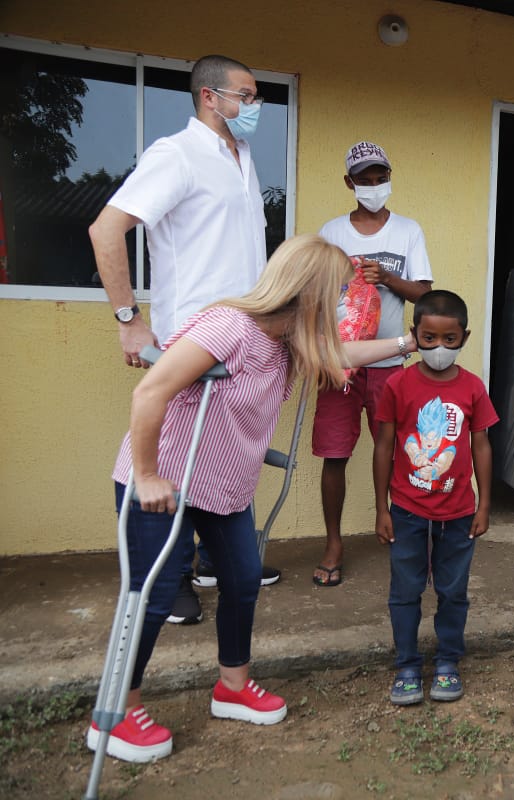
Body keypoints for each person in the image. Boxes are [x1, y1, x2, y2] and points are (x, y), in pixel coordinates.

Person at [88, 234, 417, 762]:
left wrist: (408, 344)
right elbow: (151, 391)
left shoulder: (292, 341)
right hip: (165, 476)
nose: (341, 303)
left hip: (224, 486)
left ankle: (232, 687)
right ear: (306, 292)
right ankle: (115, 715)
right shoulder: (230, 327)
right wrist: (147, 475)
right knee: (152, 594)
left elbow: (343, 352)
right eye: (334, 292)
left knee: (242, 580)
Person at [89, 54, 281, 626]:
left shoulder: (243, 157)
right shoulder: (177, 154)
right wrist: (129, 317)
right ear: (209, 97)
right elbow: (106, 229)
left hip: (242, 338)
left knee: (222, 457)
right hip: (194, 341)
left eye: (256, 97)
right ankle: (169, 581)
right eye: (245, 96)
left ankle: (212, 563)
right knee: (177, 456)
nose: (254, 107)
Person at [311, 141, 433, 588]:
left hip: (390, 359)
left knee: (401, 450)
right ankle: (334, 543)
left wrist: (386, 279)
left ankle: (407, 535)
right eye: (365, 180)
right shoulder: (332, 231)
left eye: (381, 178)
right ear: (350, 183)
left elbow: (425, 293)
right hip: (340, 363)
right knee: (335, 453)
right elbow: (314, 291)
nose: (375, 186)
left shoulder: (407, 230)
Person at [374, 290, 498, 706]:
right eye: (429, 339)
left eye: (449, 339)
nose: (439, 348)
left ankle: (448, 662)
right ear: (415, 335)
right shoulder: (398, 384)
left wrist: (483, 504)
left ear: (464, 336)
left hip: (459, 512)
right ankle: (407, 666)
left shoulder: (473, 389)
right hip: (407, 511)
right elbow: (384, 446)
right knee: (404, 590)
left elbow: (481, 445)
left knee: (453, 591)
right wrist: (381, 509)